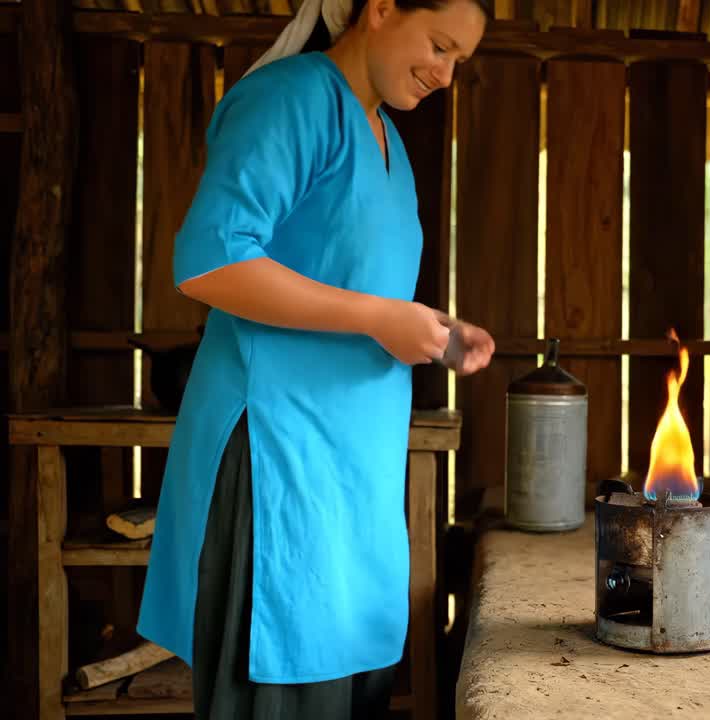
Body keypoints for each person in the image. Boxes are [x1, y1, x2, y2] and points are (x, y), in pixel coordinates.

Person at [135, 1, 495, 718]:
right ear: (382, 10)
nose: (446, 73)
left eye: (459, 59)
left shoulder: (387, 138)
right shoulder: (292, 99)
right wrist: (378, 317)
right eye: (439, 45)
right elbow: (211, 261)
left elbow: (348, 282)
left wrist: (431, 329)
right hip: (279, 464)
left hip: (351, 480)